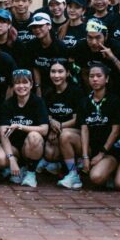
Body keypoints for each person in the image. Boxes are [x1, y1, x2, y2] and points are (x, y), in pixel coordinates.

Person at [0, 69, 49, 188]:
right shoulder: (7, 104)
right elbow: (3, 134)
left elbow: (44, 129)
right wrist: (11, 159)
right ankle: (16, 168)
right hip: (13, 147)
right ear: (13, 86)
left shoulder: (38, 102)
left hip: (30, 146)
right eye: (17, 83)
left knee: (34, 136)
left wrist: (20, 127)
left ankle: (30, 173)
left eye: (25, 82)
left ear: (31, 84)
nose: (21, 86)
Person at [78, 63, 120, 189]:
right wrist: (85, 156)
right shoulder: (84, 102)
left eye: (99, 76)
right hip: (92, 148)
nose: (95, 79)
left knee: (96, 177)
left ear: (106, 79)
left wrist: (102, 154)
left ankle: (112, 170)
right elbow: (84, 130)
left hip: (109, 151)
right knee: (67, 136)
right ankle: (74, 172)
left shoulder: (115, 101)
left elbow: (115, 131)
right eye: (91, 76)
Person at [43, 61, 84, 189]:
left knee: (65, 135)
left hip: (75, 134)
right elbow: (47, 115)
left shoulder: (76, 92)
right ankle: (63, 166)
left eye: (60, 72)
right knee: (50, 153)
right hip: (57, 132)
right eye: (53, 71)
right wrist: (51, 122)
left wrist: (59, 127)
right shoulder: (48, 92)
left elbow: (77, 120)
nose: (56, 75)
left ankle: (74, 173)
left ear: (67, 73)